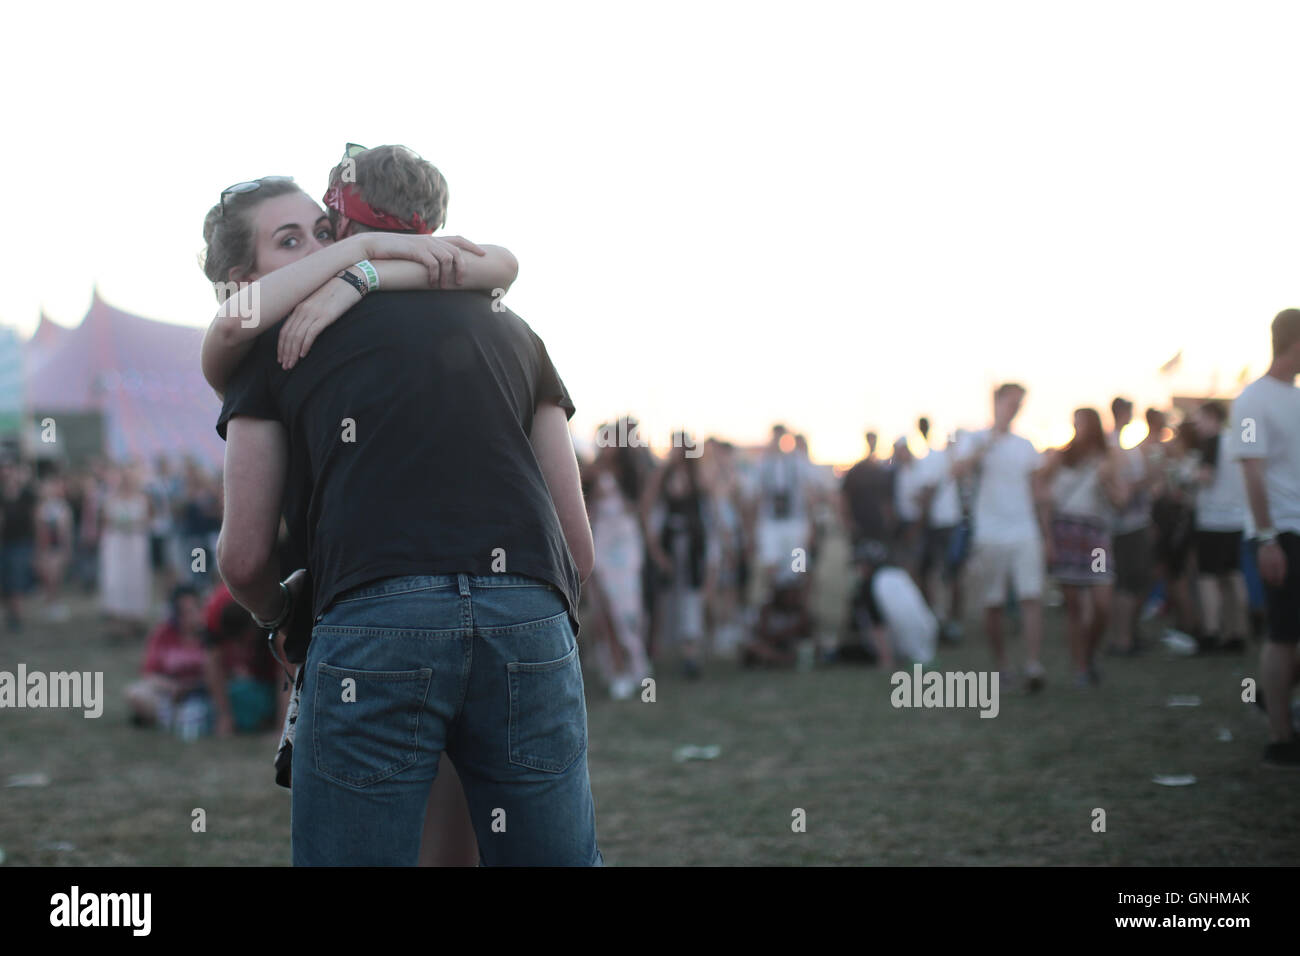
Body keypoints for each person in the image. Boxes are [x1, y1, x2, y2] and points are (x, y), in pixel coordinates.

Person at [212, 143, 600, 865]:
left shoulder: (278, 345)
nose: (317, 249)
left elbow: (242, 556)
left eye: (320, 232)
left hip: (371, 623)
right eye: (292, 240)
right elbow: (578, 549)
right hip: (528, 616)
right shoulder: (515, 333)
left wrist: (284, 618)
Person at [1229, 308, 1300, 768]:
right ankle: (1280, 736)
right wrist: (1267, 537)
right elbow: (1252, 471)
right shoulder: (1252, 400)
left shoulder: (1296, 398)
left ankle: (1273, 699)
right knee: (1283, 634)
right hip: (1281, 533)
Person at [952, 384, 1048, 690]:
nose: (1014, 409)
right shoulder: (975, 439)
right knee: (992, 603)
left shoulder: (1026, 445)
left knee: (1031, 597)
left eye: (1019, 404)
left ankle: (1032, 664)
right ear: (996, 403)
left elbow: (1037, 491)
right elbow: (957, 472)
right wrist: (986, 445)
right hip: (990, 533)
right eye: (1010, 403)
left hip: (1024, 529)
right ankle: (1003, 665)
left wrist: (1046, 534)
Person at [1035, 408, 1126, 686]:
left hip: (1095, 535)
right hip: (1066, 532)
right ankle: (1081, 668)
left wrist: (1106, 481)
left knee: (1102, 603)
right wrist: (1047, 536)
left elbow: (1121, 500)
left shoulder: (1108, 457)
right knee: (1074, 607)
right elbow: (1042, 493)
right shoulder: (1060, 456)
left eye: (1082, 423)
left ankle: (1089, 652)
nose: (1078, 428)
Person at [584, 425, 651, 698]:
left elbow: (642, 507)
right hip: (601, 542)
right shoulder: (591, 472)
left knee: (628, 608)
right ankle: (617, 668)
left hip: (626, 543)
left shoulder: (631, 472)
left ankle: (636, 660)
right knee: (606, 609)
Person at [641, 434, 710, 678]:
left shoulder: (696, 476)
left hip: (691, 548)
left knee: (690, 599)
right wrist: (656, 551)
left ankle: (689, 654)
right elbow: (647, 509)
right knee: (661, 601)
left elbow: (709, 501)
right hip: (669, 544)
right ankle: (652, 652)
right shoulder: (662, 475)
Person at [1192, 401, 1250, 654]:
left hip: (1213, 520)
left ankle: (1211, 632)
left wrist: (1186, 476)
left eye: (1200, 419)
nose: (1197, 425)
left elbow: (1206, 476)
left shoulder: (1213, 442)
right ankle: (1237, 631)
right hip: (1236, 519)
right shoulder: (1236, 441)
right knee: (1232, 575)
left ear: (1213, 417)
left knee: (1208, 578)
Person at [1107, 399, 1157, 655]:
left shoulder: (1125, 445)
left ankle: (1125, 635)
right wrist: (1141, 482)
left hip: (1134, 522)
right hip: (1124, 526)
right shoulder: (1114, 445)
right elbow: (1123, 489)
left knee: (1133, 582)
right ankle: (1122, 638)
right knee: (1127, 582)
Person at [125, 585, 208, 730]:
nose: (190, 616)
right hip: (171, 692)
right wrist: (172, 687)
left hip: (204, 690)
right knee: (135, 693)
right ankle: (175, 717)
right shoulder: (163, 633)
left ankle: (174, 718)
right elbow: (149, 674)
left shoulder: (210, 634)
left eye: (194, 610)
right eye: (184, 612)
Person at [98, 463, 153, 640]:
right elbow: (106, 520)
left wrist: (132, 524)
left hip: (135, 544)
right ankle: (117, 620)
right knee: (116, 579)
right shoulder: (111, 498)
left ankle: (134, 619)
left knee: (135, 579)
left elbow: (146, 520)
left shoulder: (142, 498)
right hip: (116, 544)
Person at [0, 461, 38, 631]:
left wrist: (38, 544)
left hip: (21, 543)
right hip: (4, 543)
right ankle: (11, 614)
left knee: (16, 580)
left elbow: (35, 519)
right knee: (6, 581)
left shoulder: (27, 495)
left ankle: (17, 616)